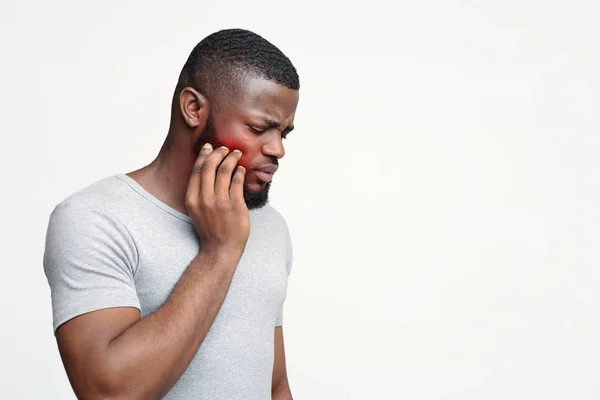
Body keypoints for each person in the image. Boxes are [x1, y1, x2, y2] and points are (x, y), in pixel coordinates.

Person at [43, 28, 299, 400]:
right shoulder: (94, 219)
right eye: (260, 128)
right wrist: (219, 252)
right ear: (193, 108)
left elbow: (275, 387)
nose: (277, 149)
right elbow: (109, 393)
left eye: (284, 133)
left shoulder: (268, 226)